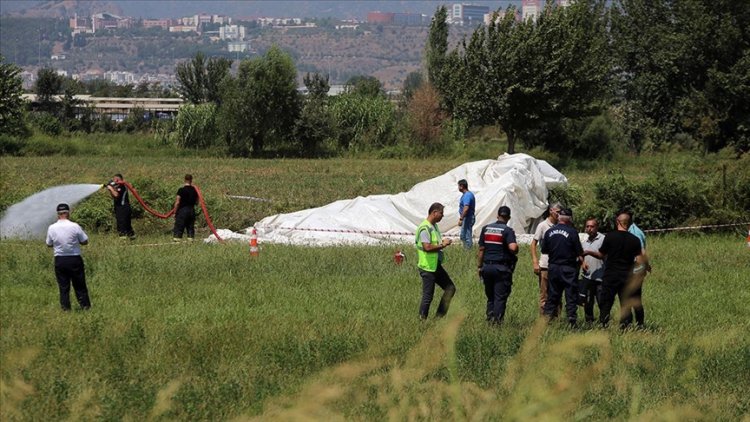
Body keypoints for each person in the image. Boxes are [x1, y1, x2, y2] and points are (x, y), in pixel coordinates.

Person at [584, 211, 642, 329]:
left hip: (610, 276)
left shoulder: (610, 236)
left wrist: (588, 252)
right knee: (625, 304)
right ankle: (625, 327)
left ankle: (604, 326)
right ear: (629, 224)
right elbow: (640, 261)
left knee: (606, 303)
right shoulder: (635, 240)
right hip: (627, 277)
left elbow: (601, 255)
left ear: (617, 222)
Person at [541, 208, 584, 327]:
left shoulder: (549, 231)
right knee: (570, 295)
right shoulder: (572, 232)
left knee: (552, 295)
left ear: (559, 218)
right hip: (568, 268)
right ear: (570, 219)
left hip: (554, 267)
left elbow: (544, 250)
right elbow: (579, 251)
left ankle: (546, 320)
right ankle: (571, 321)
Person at [477, 206, 519, 325]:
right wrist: (516, 249)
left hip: (487, 268)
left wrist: (479, 267)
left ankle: (490, 319)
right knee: (500, 297)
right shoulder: (507, 230)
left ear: (497, 215)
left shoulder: (486, 229)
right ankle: (497, 323)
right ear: (509, 217)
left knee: (490, 297)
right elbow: (513, 247)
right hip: (501, 269)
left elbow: (481, 250)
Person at [46, 203, 91, 311]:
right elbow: (85, 241)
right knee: (80, 285)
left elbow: (48, 243)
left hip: (60, 259)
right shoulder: (75, 226)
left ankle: (66, 309)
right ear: (68, 213)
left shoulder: (52, 227)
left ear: (58, 214)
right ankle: (85, 307)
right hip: (74, 259)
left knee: (63, 287)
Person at [416, 202, 456, 320]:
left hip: (435, 265)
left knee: (450, 288)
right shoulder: (425, 228)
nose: (442, 216)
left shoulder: (434, 226)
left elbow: (433, 243)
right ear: (434, 213)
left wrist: (442, 242)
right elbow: (427, 247)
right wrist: (443, 245)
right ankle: (422, 321)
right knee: (428, 296)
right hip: (427, 267)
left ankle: (438, 318)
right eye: (441, 213)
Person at [530, 202, 562, 315]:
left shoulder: (561, 225)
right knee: (545, 294)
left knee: (558, 293)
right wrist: (535, 262)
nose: (559, 215)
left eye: (560, 212)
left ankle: (557, 318)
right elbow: (533, 244)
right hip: (545, 265)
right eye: (557, 212)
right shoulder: (543, 226)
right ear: (551, 211)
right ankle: (544, 319)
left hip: (559, 264)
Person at [580, 218, 605, 323]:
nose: (589, 229)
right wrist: (582, 262)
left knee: (601, 302)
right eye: (587, 226)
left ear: (597, 227)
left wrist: (588, 252)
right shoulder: (584, 242)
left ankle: (604, 322)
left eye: (592, 226)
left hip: (600, 277)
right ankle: (589, 322)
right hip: (587, 277)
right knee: (588, 302)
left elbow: (603, 255)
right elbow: (581, 254)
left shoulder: (603, 239)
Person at [106, 173, 135, 239]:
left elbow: (116, 195)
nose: (114, 181)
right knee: (127, 225)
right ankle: (132, 238)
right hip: (124, 208)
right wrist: (111, 189)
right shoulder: (121, 186)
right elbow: (115, 196)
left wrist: (110, 188)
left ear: (119, 179)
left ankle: (123, 242)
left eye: (116, 180)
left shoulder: (121, 186)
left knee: (121, 225)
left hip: (122, 208)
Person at [173, 174, 198, 241]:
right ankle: (190, 243)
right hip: (191, 211)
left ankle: (177, 244)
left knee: (179, 227)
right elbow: (197, 202)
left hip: (182, 211)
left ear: (184, 180)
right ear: (191, 180)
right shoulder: (195, 191)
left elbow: (177, 202)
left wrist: (175, 212)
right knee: (190, 228)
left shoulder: (181, 190)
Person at [457, 179, 476, 249]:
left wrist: (461, 218)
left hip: (468, 217)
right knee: (463, 235)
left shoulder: (467, 195)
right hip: (467, 217)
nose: (458, 188)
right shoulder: (467, 195)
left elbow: (466, 208)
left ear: (462, 186)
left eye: (459, 186)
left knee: (466, 236)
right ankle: (466, 249)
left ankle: (468, 250)